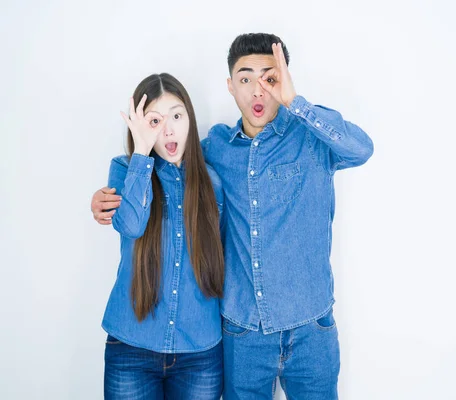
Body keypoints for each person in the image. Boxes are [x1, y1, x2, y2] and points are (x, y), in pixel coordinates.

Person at [92, 33, 374, 399]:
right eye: (245, 79)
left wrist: (295, 102)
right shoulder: (215, 151)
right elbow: (163, 175)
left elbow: (362, 149)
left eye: (269, 79)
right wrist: (109, 194)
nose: (258, 91)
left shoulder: (310, 137)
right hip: (243, 332)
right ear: (230, 86)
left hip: (310, 325)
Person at [100, 73, 225, 399]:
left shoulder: (213, 183)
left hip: (199, 352)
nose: (168, 129)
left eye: (177, 116)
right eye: (154, 121)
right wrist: (141, 151)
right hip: (132, 347)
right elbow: (131, 226)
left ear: (190, 119)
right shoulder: (125, 169)